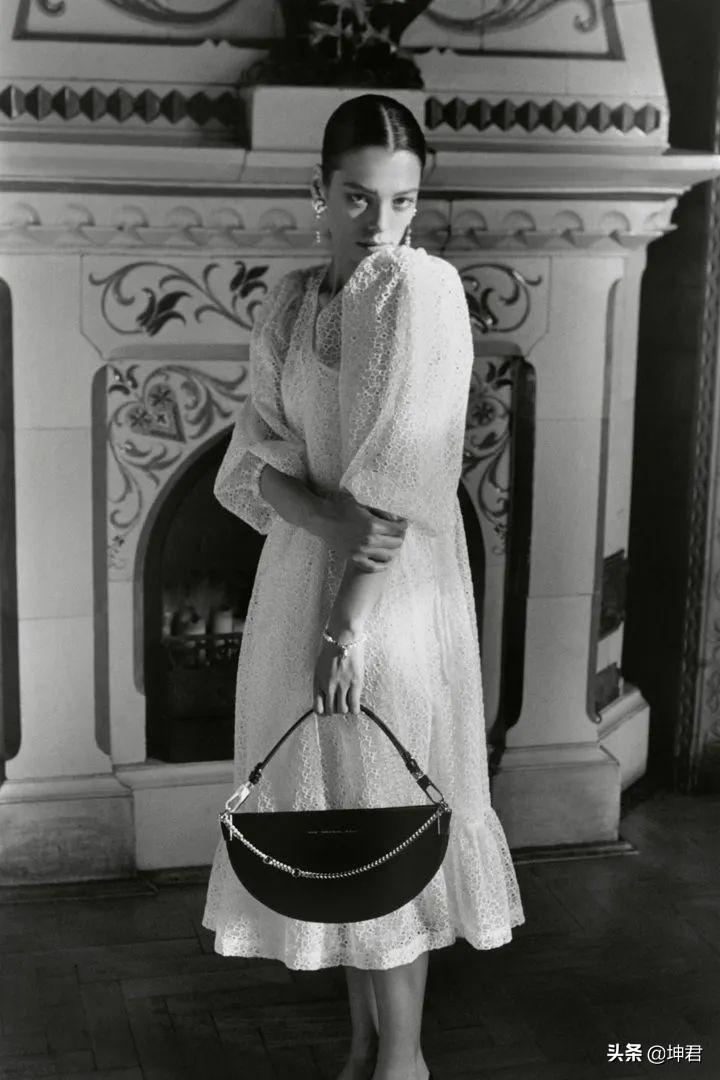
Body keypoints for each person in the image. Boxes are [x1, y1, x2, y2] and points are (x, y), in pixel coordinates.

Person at [202, 93, 525, 1080]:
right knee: (334, 829)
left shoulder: (421, 292)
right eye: (357, 197)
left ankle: (404, 1062)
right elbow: (253, 460)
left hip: (384, 601)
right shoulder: (292, 301)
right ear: (319, 193)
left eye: (402, 200)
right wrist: (324, 519)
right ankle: (360, 1048)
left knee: (386, 813)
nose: (380, 221)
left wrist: (346, 625)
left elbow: (401, 482)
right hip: (300, 578)